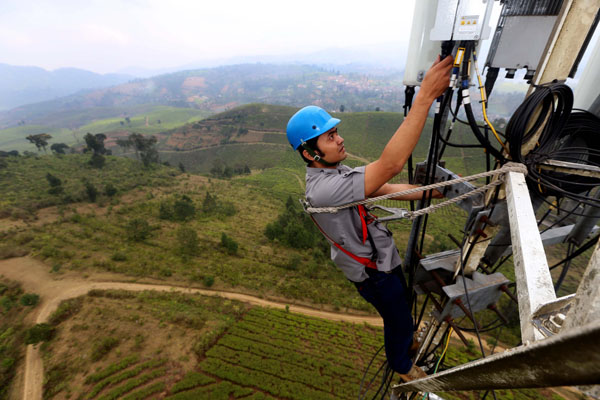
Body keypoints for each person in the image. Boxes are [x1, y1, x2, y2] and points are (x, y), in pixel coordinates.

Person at [285, 55, 453, 382]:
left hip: (380, 262)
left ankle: (406, 346)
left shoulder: (336, 173)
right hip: (373, 272)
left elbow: (386, 187)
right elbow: (389, 165)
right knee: (398, 321)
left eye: (336, 132)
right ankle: (403, 367)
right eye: (330, 136)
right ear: (310, 153)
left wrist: (434, 191)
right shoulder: (325, 190)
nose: (340, 138)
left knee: (402, 308)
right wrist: (424, 100)